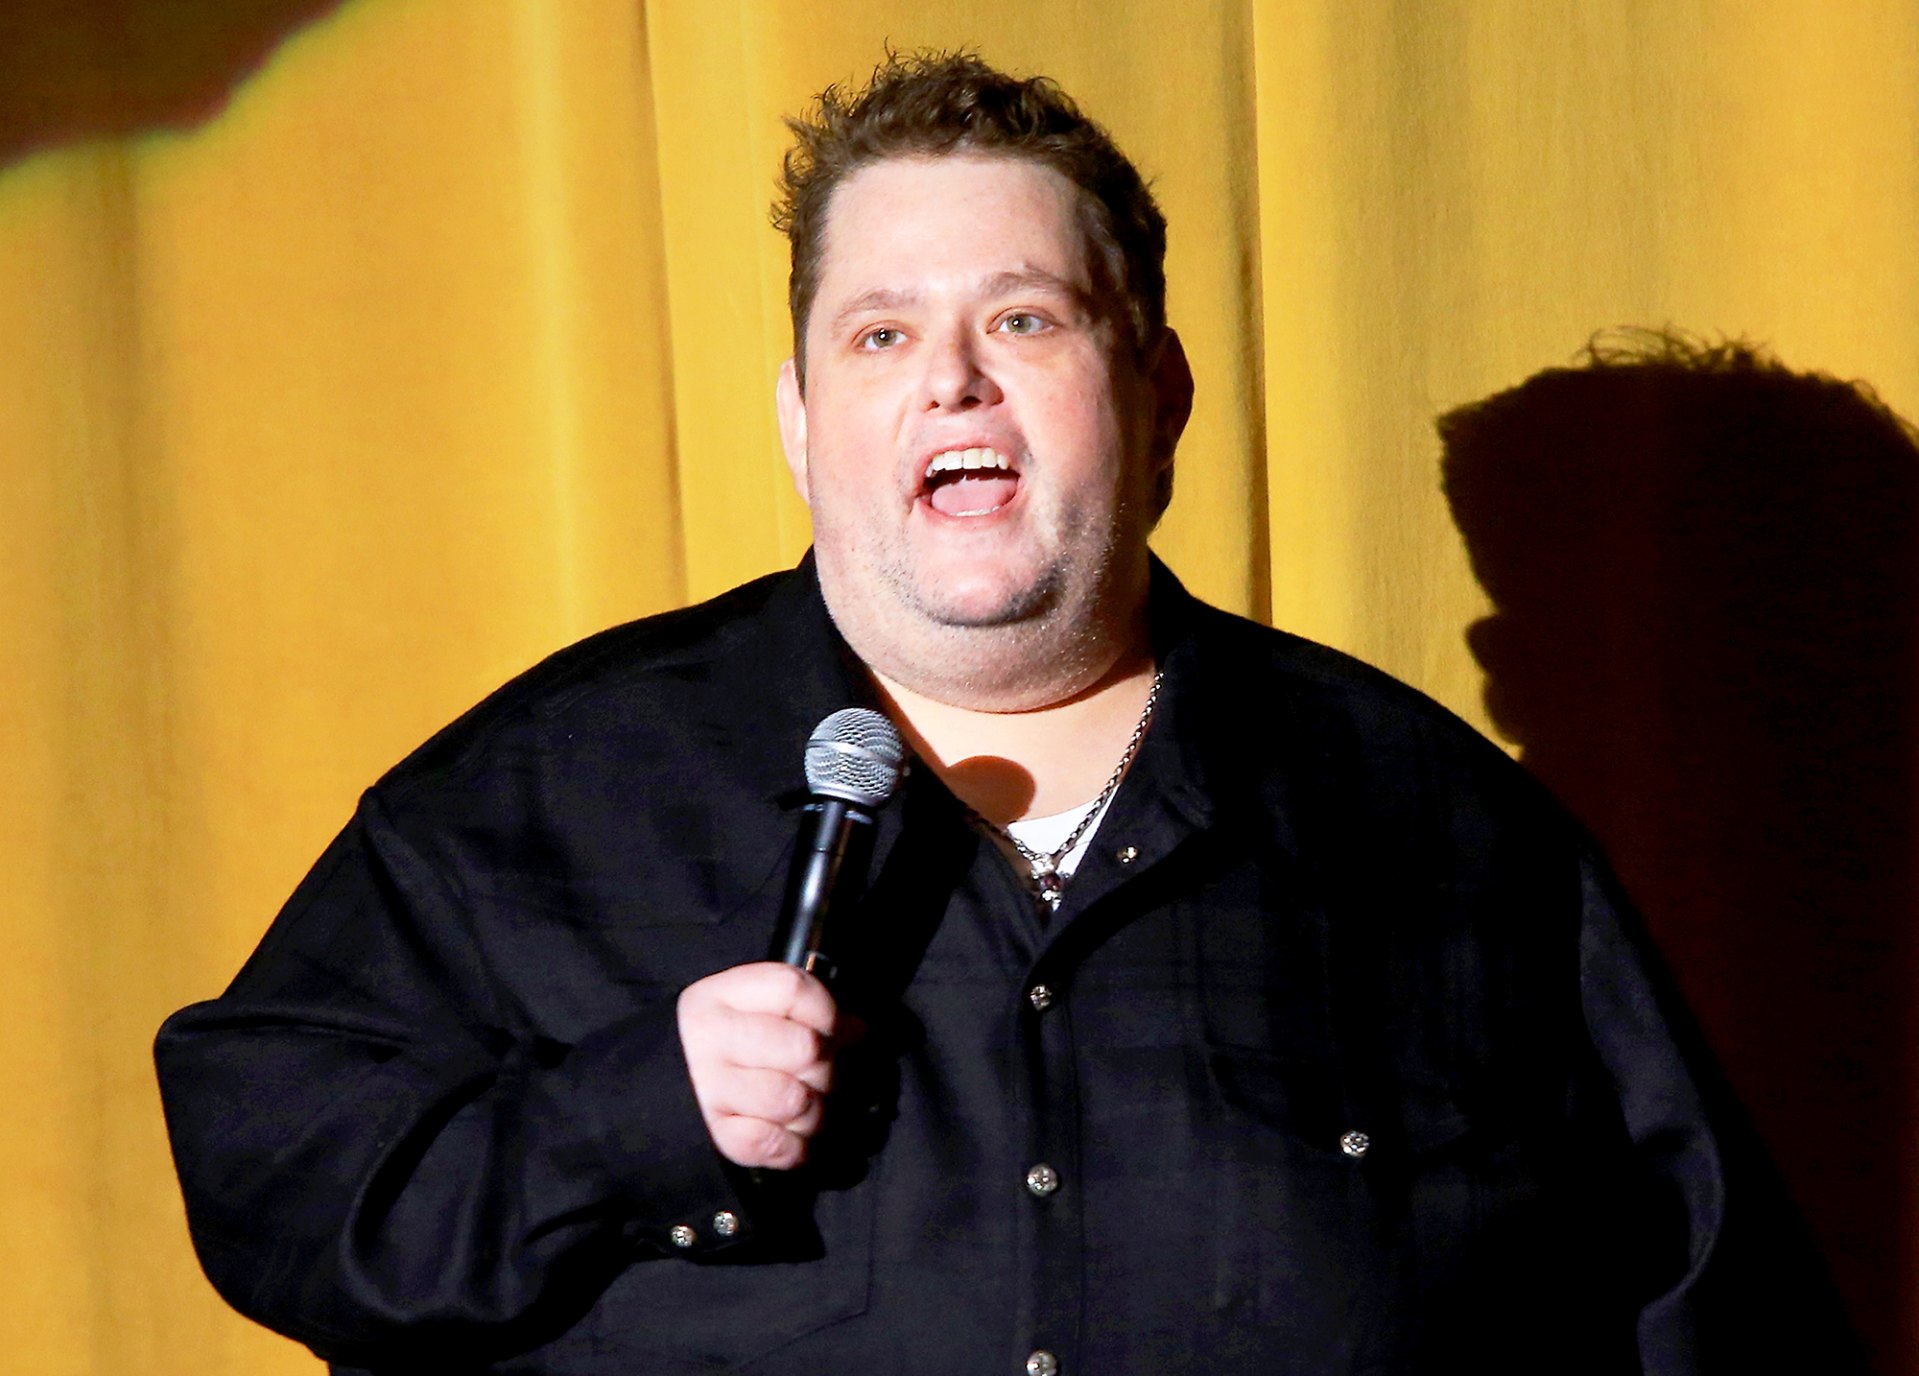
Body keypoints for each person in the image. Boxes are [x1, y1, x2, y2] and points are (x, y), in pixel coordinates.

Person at [155, 52, 1861, 1374]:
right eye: (881, 334)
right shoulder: (544, 799)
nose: (953, 380)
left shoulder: (1440, 832)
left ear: (1159, 391)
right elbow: (277, 1180)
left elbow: (1711, 1309)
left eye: (1025, 319)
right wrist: (628, 1116)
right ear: (800, 420)